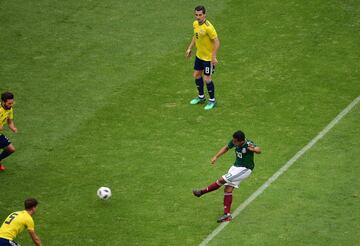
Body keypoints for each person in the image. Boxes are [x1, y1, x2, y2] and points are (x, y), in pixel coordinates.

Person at [193, 130, 262, 223]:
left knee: (222, 180)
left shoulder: (248, 144)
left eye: (235, 141)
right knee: (228, 189)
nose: (233, 143)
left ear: (241, 141)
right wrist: (216, 157)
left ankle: (201, 192)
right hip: (235, 167)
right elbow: (226, 148)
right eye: (233, 141)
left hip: (244, 169)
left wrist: (253, 149)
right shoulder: (235, 141)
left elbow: (259, 150)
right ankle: (227, 215)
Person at [185, 5, 220, 110]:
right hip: (199, 56)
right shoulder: (195, 24)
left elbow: (217, 42)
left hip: (208, 59)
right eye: (196, 15)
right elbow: (195, 36)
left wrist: (213, 57)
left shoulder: (208, 27)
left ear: (204, 15)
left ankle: (212, 101)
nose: (198, 17)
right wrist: (189, 48)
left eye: (200, 15)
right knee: (196, 75)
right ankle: (201, 97)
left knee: (207, 79)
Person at [0, 92, 17, 171]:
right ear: (3, 102)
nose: (11, 105)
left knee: (11, 149)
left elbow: (9, 121)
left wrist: (12, 127)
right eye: (9, 103)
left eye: (12, 103)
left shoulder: (9, 109)